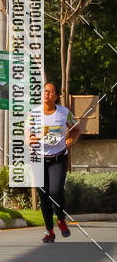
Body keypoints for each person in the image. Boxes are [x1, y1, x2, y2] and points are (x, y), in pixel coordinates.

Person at [28, 82, 80, 243]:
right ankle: (49, 232)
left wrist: (72, 139)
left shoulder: (64, 113)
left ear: (56, 96)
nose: (46, 94)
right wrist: (31, 140)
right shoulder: (34, 113)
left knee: (56, 191)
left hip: (58, 157)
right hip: (38, 158)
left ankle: (61, 219)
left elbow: (76, 130)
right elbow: (28, 134)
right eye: (44, 91)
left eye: (50, 92)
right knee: (43, 195)